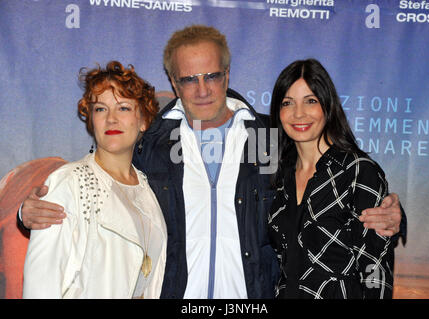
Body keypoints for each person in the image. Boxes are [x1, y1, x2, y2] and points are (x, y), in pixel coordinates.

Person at [19, 25, 404, 299]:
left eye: (211, 76)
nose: (202, 89)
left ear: (227, 75)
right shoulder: (151, 142)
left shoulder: (270, 138)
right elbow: (104, 173)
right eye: (188, 79)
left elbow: (330, 184)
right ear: (173, 78)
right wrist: (28, 210)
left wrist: (392, 212)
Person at [22, 61, 167, 298]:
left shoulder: (147, 188)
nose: (111, 119)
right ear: (91, 120)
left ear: (143, 121)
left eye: (123, 108)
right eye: (100, 109)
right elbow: (40, 286)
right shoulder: (68, 182)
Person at [268, 59, 395, 299]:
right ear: (278, 111)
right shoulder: (278, 176)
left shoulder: (358, 172)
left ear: (327, 106)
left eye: (311, 101)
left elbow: (375, 268)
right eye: (287, 103)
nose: (298, 113)